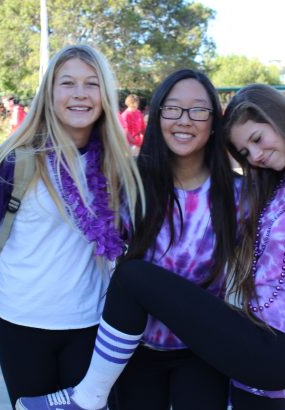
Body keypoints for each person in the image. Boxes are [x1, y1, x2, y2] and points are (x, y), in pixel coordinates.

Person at [16, 83, 285, 410]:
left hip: (273, 345)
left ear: (284, 119)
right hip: (248, 339)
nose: (256, 155)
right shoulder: (283, 181)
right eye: (245, 152)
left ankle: (86, 399)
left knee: (133, 277)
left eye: (257, 139)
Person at [0, 44, 144, 408]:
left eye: (92, 83)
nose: (80, 94)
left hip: (93, 325)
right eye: (67, 83)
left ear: (105, 94)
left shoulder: (117, 167)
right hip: (23, 324)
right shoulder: (16, 160)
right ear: (49, 94)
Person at [108, 70, 237, 409]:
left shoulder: (240, 194)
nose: (184, 119)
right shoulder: (128, 185)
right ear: (157, 116)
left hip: (205, 350)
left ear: (214, 122)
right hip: (133, 351)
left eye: (199, 110)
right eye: (173, 108)